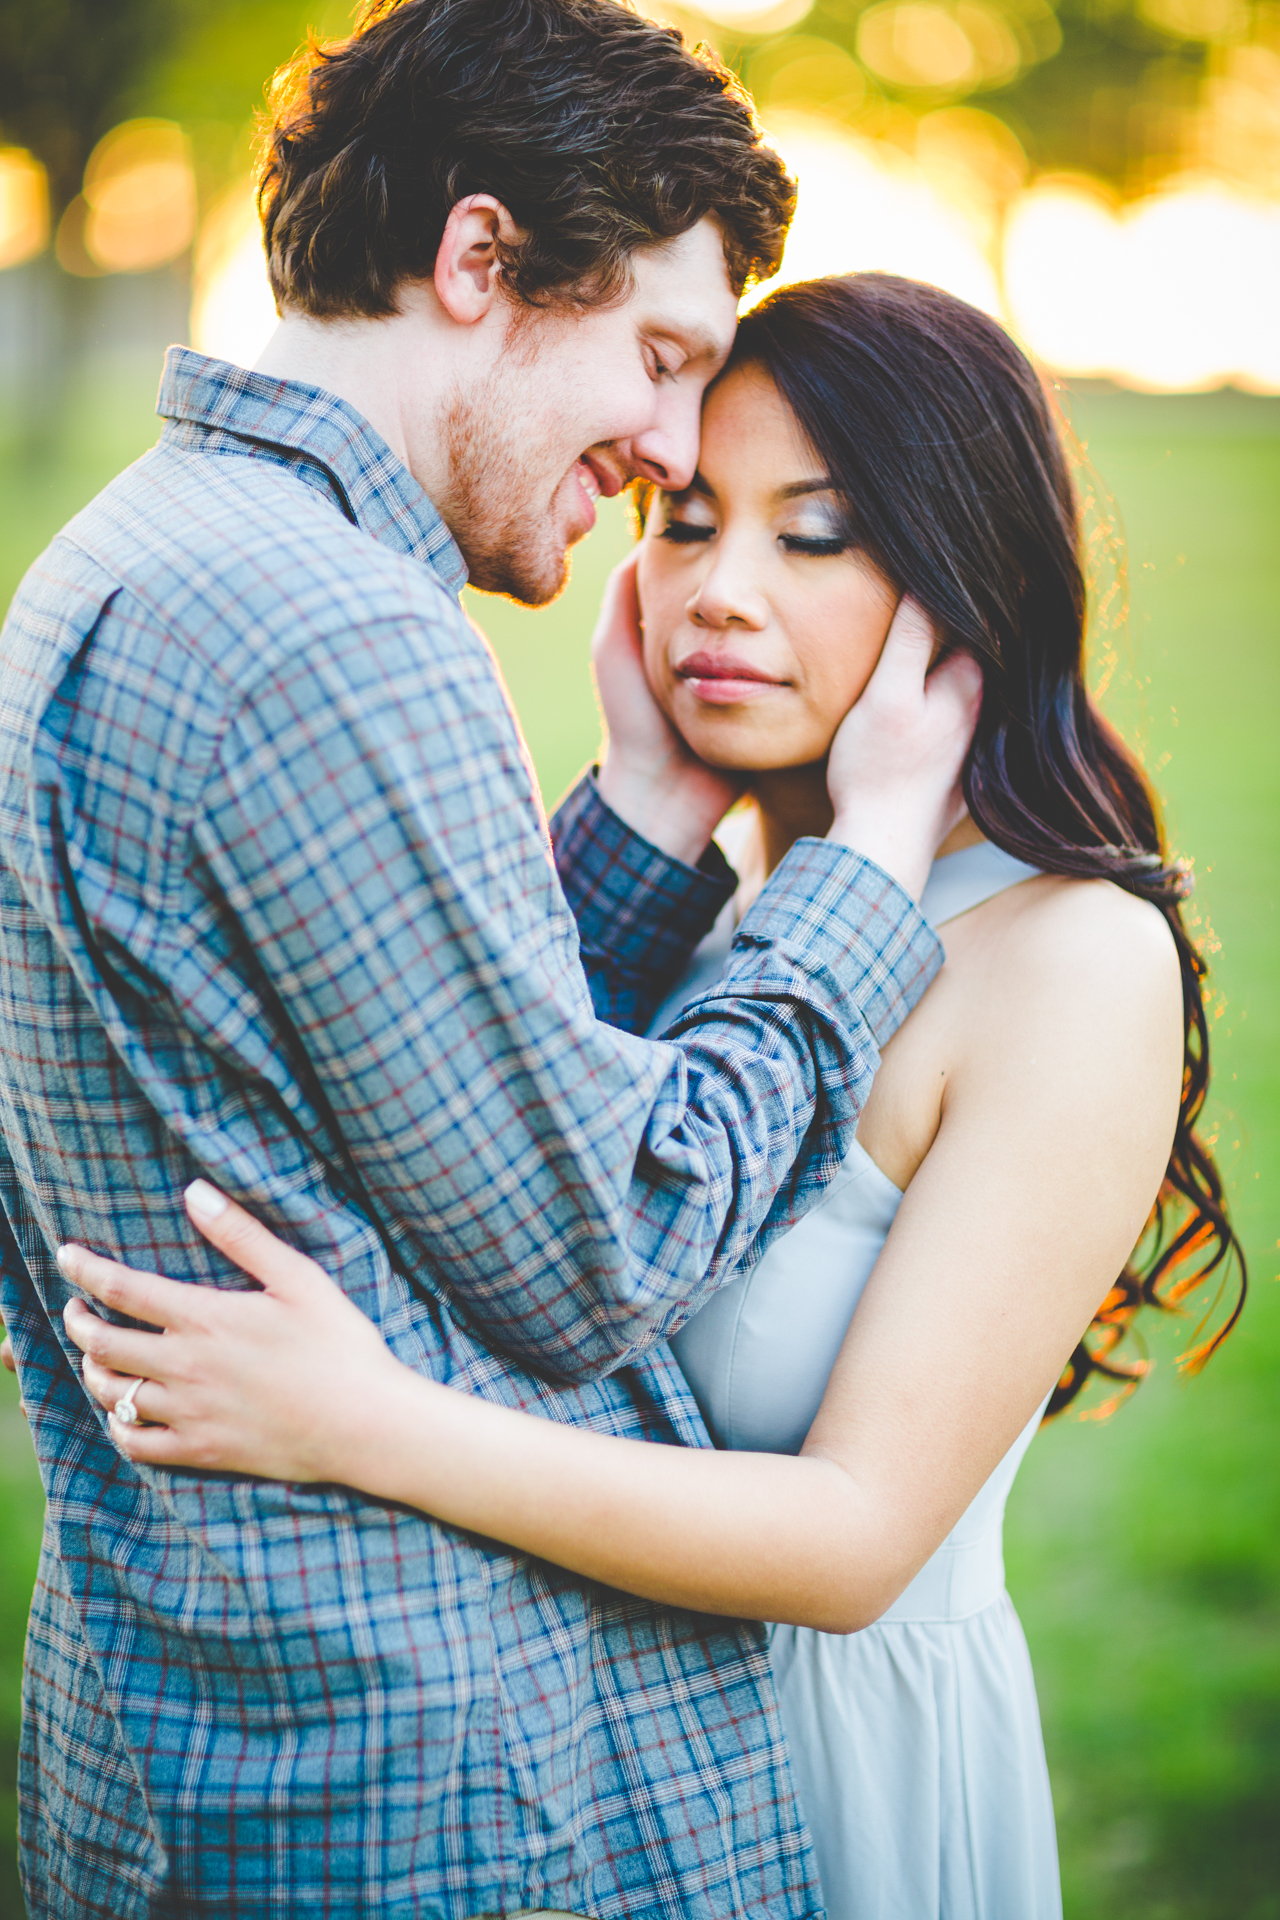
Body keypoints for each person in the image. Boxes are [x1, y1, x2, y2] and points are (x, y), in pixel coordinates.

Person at [61, 274, 1245, 1919]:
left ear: (961, 581)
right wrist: (642, 808)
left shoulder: (1069, 960)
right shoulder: (740, 920)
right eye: (682, 523)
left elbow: (850, 1541)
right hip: (616, 1769)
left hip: (846, 1780)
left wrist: (371, 1428)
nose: (720, 595)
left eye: (811, 537)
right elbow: (477, 1184)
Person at [0, 6, 986, 1915]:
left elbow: (397, 1086)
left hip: (190, 1730)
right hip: (426, 1787)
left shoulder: (121, 555)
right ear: (480, 263)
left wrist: (636, 816)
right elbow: (607, 1235)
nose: (672, 446)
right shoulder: (333, 630)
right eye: (662, 353)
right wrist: (865, 867)